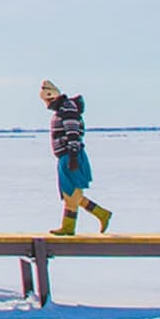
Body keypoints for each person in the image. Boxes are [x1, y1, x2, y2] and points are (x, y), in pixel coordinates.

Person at [40, 80, 112, 236]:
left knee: (71, 194)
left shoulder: (67, 109)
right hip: (65, 155)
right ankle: (83, 221)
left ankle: (95, 216)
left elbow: (73, 132)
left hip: (70, 155)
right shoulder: (63, 109)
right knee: (71, 194)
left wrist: (73, 155)